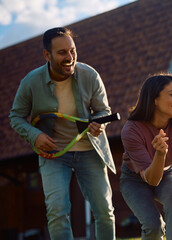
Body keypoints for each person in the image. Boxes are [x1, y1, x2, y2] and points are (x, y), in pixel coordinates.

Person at [9, 27, 116, 240]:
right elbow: (16, 117)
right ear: (46, 55)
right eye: (62, 53)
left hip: (89, 150)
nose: (70, 57)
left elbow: (104, 110)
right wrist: (34, 135)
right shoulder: (30, 82)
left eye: (73, 51)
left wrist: (99, 122)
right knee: (57, 212)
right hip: (54, 155)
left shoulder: (90, 74)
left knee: (105, 211)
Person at [120, 73, 172, 240]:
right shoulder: (131, 130)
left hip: (168, 173)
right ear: (154, 99)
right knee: (154, 227)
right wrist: (160, 154)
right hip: (135, 179)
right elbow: (151, 179)